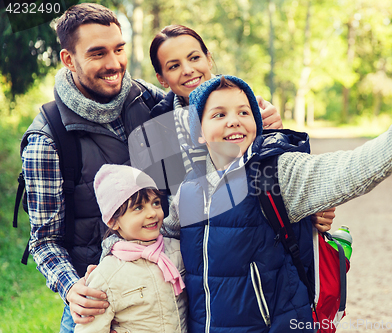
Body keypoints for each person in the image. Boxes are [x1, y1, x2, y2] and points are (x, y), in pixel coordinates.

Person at [20, 3, 281, 332]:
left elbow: (220, 162)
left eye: (119, 49)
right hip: (100, 303)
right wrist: (74, 290)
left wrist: (266, 128)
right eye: (98, 53)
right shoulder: (48, 139)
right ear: (68, 59)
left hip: (173, 295)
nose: (114, 64)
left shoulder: (152, 103)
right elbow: (44, 241)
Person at [156, 73, 392, 332]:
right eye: (219, 114)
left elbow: (348, 170)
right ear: (200, 133)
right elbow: (160, 250)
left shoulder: (275, 172)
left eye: (244, 112)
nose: (234, 120)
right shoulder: (187, 193)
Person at [148, 24, 336, 232]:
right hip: (190, 240)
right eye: (174, 66)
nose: (188, 70)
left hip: (250, 231)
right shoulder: (158, 125)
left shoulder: (247, 104)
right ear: (162, 79)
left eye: (194, 58)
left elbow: (281, 172)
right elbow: (164, 201)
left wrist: (314, 208)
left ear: (208, 59)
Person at [74, 164, 187, 333]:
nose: (152, 213)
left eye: (155, 203)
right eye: (139, 207)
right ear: (113, 221)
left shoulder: (177, 250)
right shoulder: (107, 274)